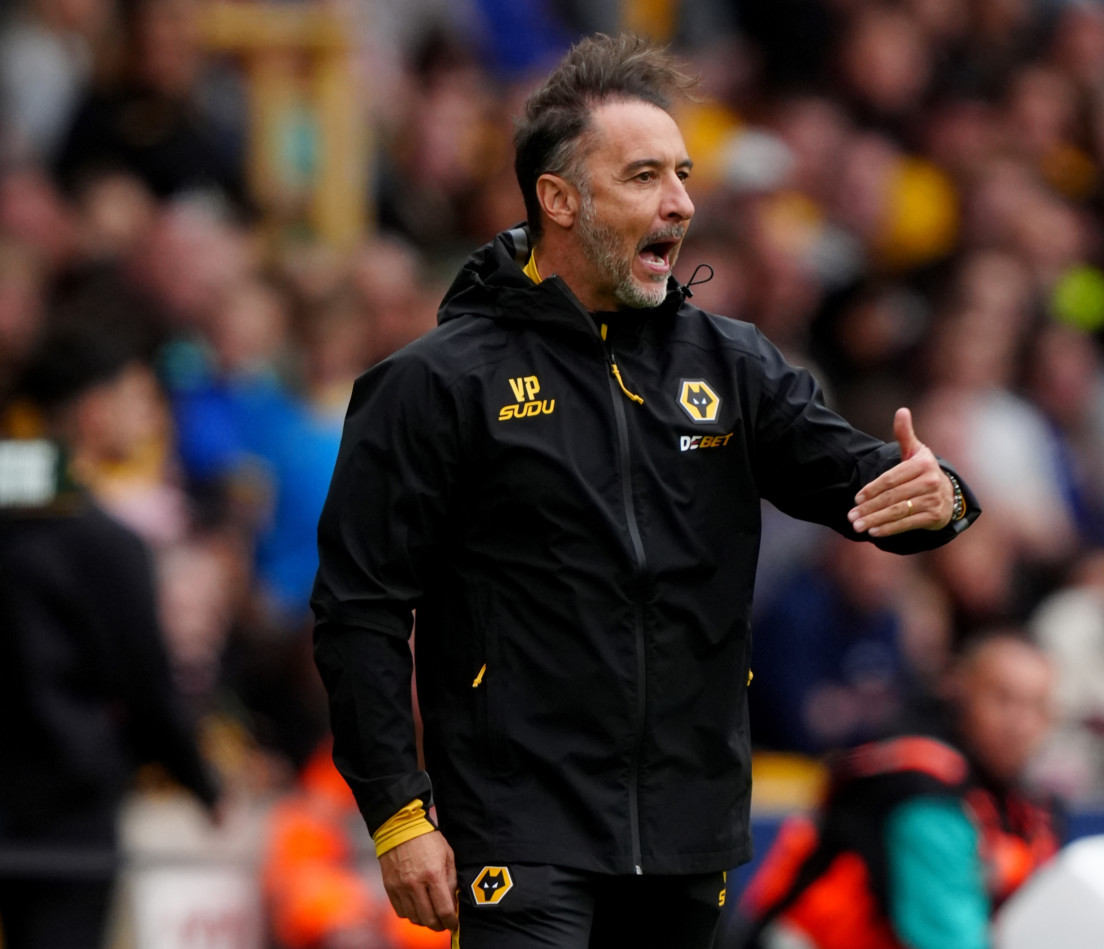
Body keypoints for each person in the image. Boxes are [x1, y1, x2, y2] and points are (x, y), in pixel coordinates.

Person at [311, 33, 980, 948]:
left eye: (684, 173)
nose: (682, 202)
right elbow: (360, 611)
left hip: (687, 831)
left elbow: (866, 484)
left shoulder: (733, 363)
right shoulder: (433, 384)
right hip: (519, 825)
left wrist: (940, 498)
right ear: (558, 199)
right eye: (644, 176)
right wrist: (397, 811)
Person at [0, 326, 219, 949]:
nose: (151, 418)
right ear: (96, 410)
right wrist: (200, 780)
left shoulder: (29, 506)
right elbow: (146, 680)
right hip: (65, 812)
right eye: (139, 399)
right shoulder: (104, 544)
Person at [727, 631, 1060, 949]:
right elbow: (948, 939)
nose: (1019, 723)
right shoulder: (923, 787)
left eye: (1036, 707)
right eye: (1002, 699)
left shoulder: (1026, 803)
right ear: (958, 689)